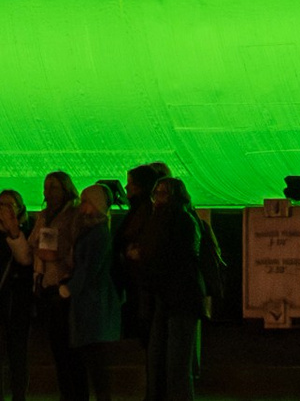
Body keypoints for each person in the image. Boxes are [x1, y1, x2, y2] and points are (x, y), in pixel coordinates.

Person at [137, 177, 203, 401]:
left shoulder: (180, 220)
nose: (157, 199)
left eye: (163, 194)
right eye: (156, 193)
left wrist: (144, 256)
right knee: (166, 362)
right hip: (169, 299)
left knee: (176, 365)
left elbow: (176, 259)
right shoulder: (173, 219)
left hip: (178, 300)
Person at [64, 183, 122, 401]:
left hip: (93, 306)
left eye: (86, 202)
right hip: (90, 305)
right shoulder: (92, 231)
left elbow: (89, 269)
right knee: (94, 363)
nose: (82, 207)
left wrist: (69, 288)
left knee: (96, 362)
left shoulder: (98, 235)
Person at [0, 188, 37, 401]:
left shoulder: (29, 230)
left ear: (20, 207)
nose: (4, 209)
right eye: (1, 204)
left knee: (18, 356)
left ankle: (18, 396)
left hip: (19, 304)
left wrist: (15, 233)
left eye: (9, 204)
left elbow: (26, 261)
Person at [112, 166, 165, 390]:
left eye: (130, 183)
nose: (126, 187)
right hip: (139, 284)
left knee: (150, 338)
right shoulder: (143, 210)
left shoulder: (143, 211)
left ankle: (154, 388)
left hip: (141, 285)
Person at [31, 173, 82, 401]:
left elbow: (76, 248)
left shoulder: (74, 214)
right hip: (47, 284)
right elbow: (34, 242)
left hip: (65, 284)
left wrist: (57, 256)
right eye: (46, 187)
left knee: (70, 349)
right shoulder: (44, 215)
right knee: (58, 349)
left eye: (54, 187)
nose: (48, 192)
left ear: (66, 189)